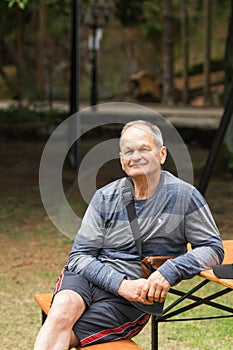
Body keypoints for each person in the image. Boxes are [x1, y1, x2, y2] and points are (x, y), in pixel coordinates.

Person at [34, 120, 224, 349]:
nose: (135, 157)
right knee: (63, 308)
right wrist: (121, 284)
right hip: (90, 279)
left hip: (133, 298)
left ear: (162, 154)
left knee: (69, 332)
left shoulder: (184, 197)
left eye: (144, 149)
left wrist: (170, 270)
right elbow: (79, 256)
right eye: (128, 151)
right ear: (122, 160)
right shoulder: (106, 196)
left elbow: (213, 248)